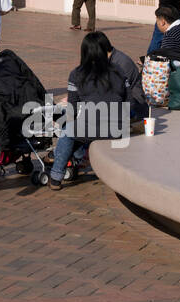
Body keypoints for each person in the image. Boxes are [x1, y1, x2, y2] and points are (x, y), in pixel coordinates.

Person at [48, 30, 130, 190]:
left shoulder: (77, 74)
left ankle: (56, 177)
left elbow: (72, 108)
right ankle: (79, 157)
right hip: (118, 129)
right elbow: (128, 101)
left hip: (91, 128)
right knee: (78, 129)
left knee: (67, 132)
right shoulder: (119, 71)